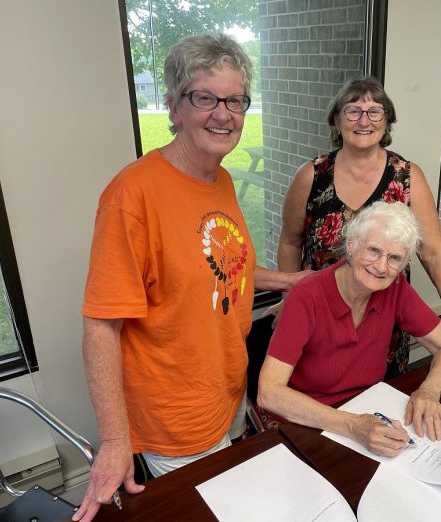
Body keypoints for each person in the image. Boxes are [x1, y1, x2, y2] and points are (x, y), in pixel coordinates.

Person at [74, 34, 306, 522]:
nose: (223, 114)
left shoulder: (218, 178)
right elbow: (101, 325)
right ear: (174, 107)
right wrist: (116, 441)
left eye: (236, 100)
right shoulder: (132, 196)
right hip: (177, 423)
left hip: (227, 392)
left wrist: (289, 282)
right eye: (205, 98)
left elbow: (220, 269)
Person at [277, 76, 441, 375]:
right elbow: (291, 242)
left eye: (374, 111)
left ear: (386, 122)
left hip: (383, 318)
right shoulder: (311, 176)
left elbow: (432, 250)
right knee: (319, 394)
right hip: (319, 317)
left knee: (382, 399)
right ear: (337, 120)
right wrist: (289, 300)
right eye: (352, 111)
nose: (363, 120)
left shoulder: (408, 177)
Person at [258, 201, 441, 455]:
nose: (380, 267)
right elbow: (268, 393)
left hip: (366, 415)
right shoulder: (307, 296)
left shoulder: (395, 288)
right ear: (351, 245)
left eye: (394, 258)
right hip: (306, 428)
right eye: (374, 250)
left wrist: (429, 391)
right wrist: (353, 426)